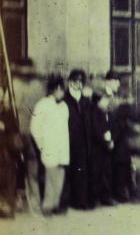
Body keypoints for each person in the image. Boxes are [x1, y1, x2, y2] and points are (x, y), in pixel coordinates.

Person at [31, 76, 69, 216]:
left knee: (60, 177)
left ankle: (55, 204)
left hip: (62, 148)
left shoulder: (64, 106)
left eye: (62, 89)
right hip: (49, 147)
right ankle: (47, 205)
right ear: (52, 90)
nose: (60, 92)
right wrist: (42, 144)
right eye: (57, 89)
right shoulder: (43, 104)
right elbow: (35, 127)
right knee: (50, 177)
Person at [64, 69, 92, 210]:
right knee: (69, 171)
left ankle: (81, 201)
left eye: (81, 82)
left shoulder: (86, 100)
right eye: (76, 81)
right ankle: (69, 201)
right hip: (69, 140)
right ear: (70, 82)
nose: (79, 84)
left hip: (84, 141)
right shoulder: (65, 99)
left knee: (82, 172)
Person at [88, 87, 115, 206]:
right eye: (105, 99)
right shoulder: (95, 113)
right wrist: (107, 142)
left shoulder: (103, 112)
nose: (107, 102)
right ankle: (96, 198)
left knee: (105, 173)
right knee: (97, 174)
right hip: (97, 148)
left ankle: (104, 197)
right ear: (98, 100)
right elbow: (97, 131)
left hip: (103, 148)